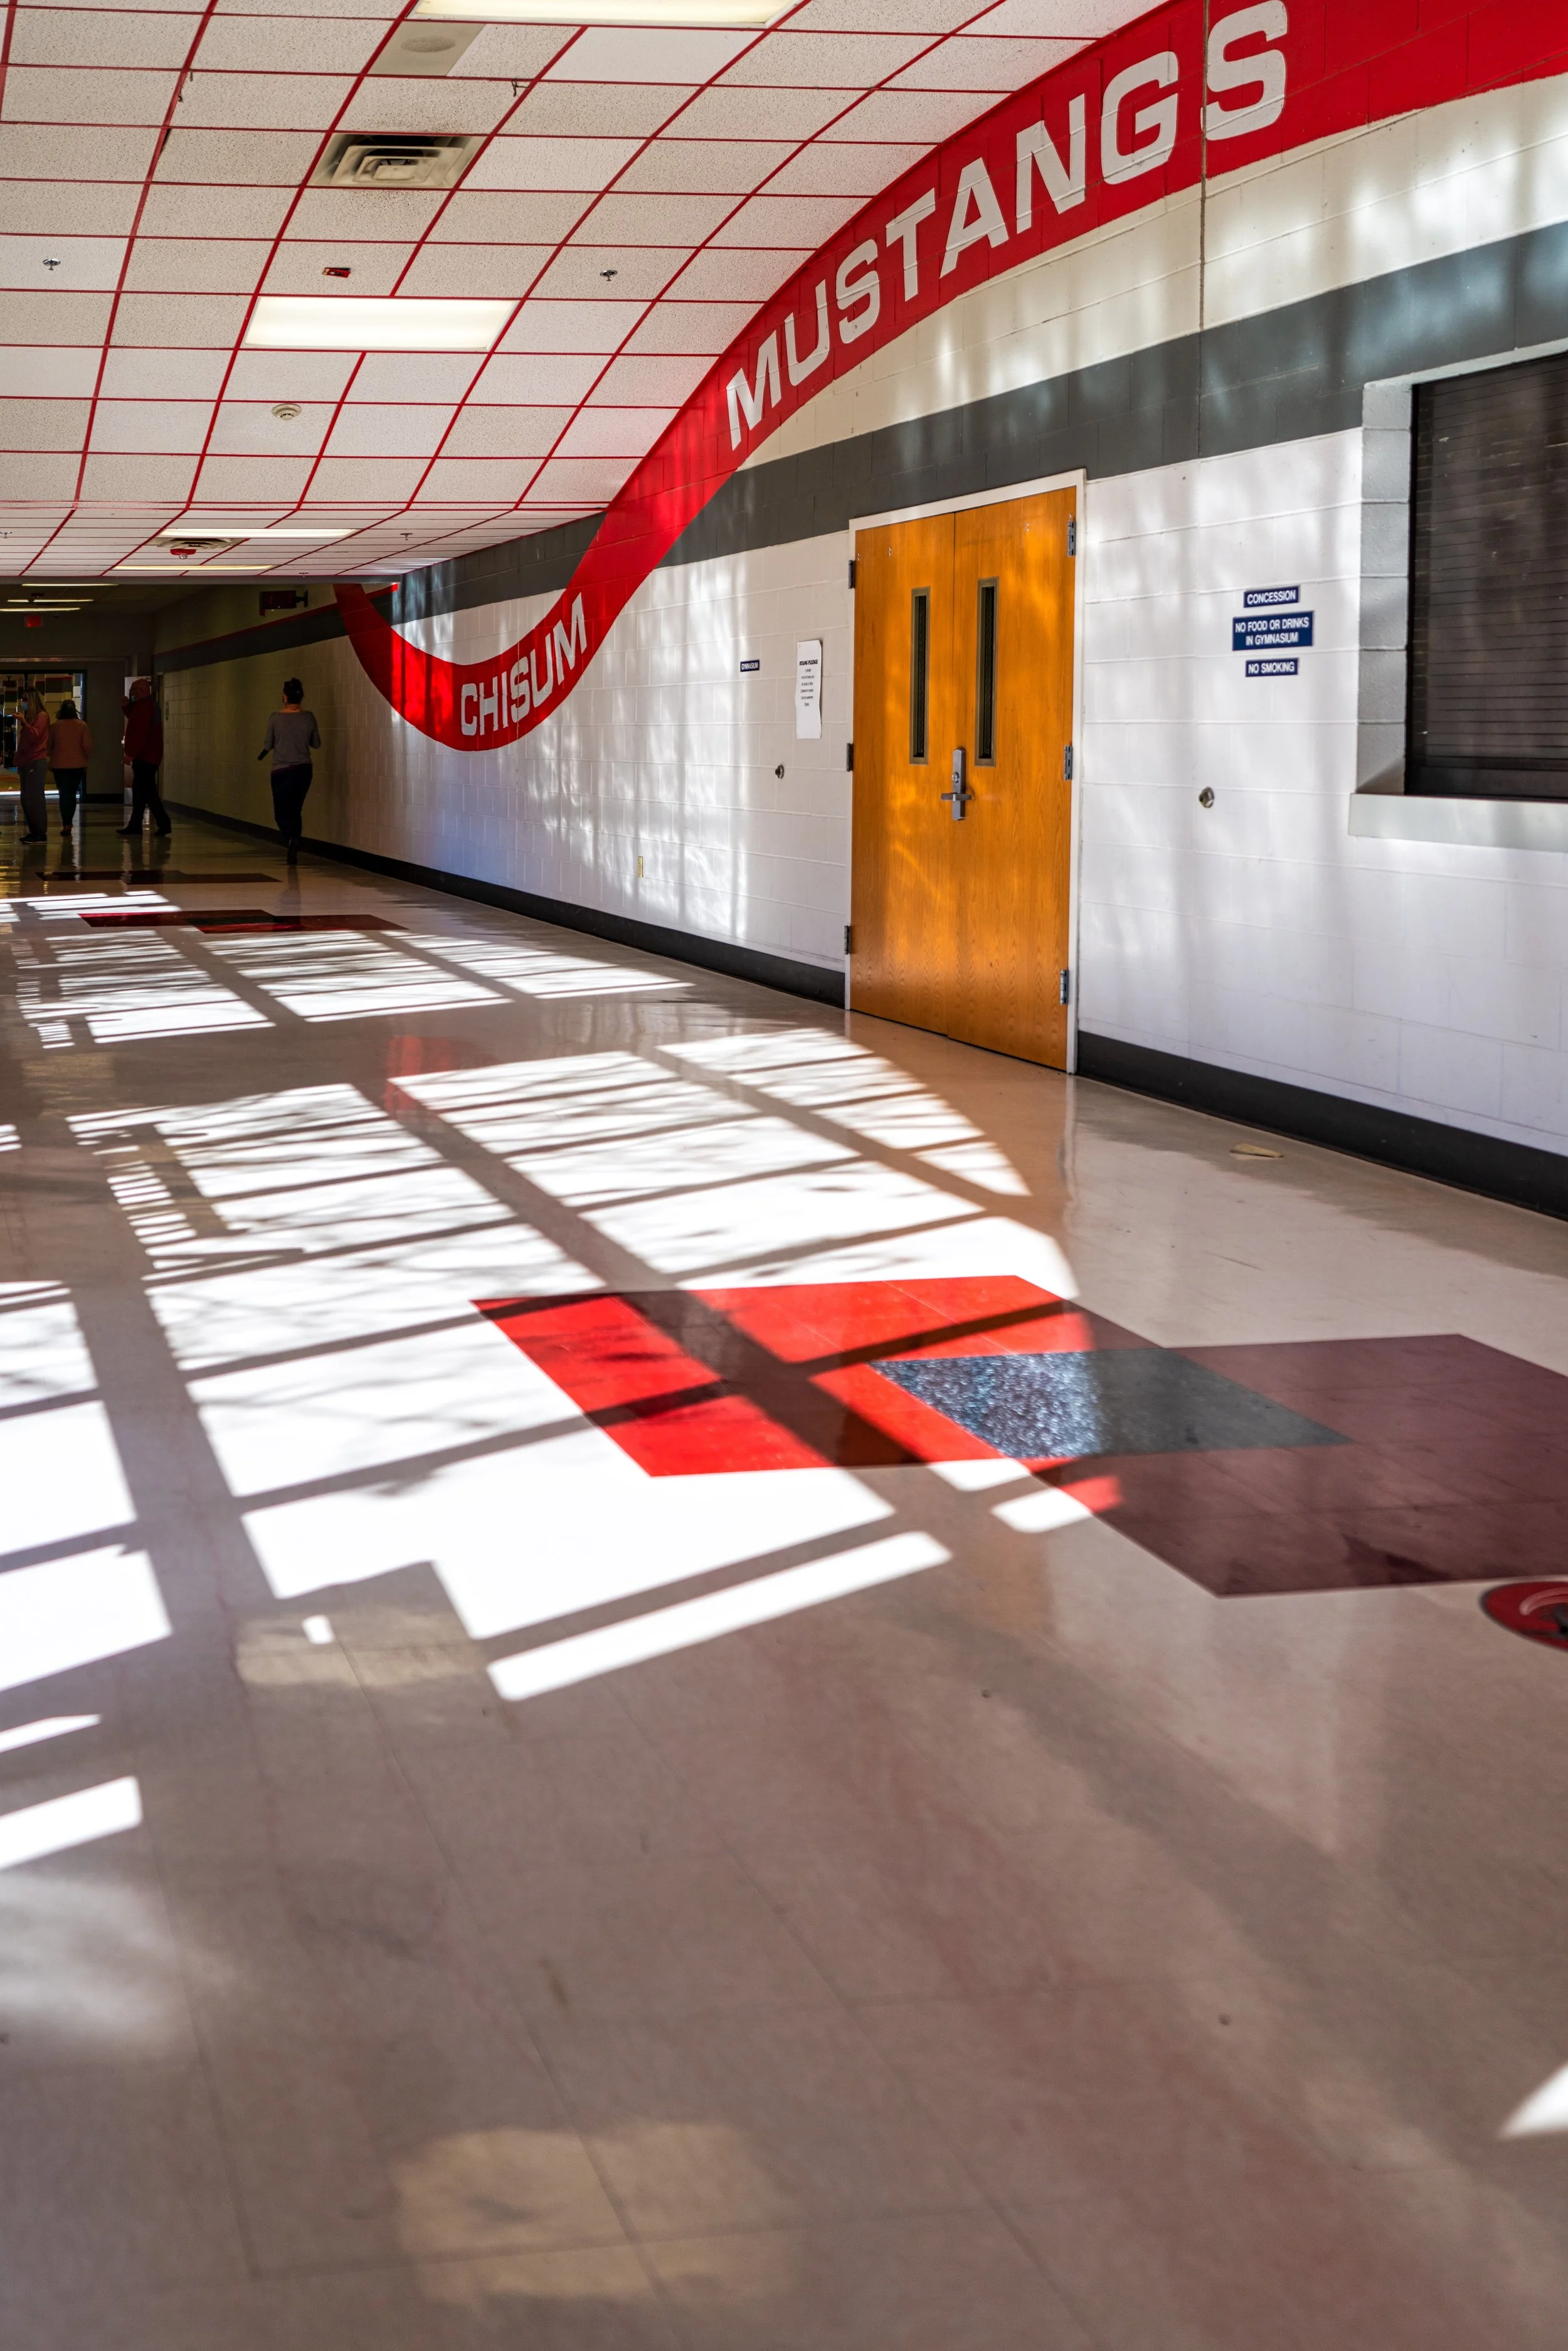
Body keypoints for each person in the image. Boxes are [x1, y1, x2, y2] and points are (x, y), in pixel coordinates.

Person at [258, 677, 320, 866]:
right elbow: (316, 744)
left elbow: (268, 744)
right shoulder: (309, 717)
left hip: (282, 772)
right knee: (296, 811)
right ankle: (295, 844)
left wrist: (264, 752)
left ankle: (291, 840)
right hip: (304, 770)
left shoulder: (275, 718)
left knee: (280, 813)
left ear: (285, 697)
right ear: (300, 697)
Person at [120, 677, 169, 837]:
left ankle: (163, 823)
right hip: (149, 756)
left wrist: (131, 754)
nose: (132, 693)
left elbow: (140, 733)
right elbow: (136, 720)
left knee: (147, 792)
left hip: (145, 757)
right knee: (141, 793)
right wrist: (127, 707)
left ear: (141, 691)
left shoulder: (145, 707)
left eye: (134, 690)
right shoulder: (146, 706)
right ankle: (136, 825)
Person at [48, 698, 92, 836]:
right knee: (72, 794)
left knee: (64, 793)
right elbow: (87, 746)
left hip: (59, 765)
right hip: (77, 765)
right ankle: (69, 824)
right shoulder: (82, 726)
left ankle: (65, 822)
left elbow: (49, 747)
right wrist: (85, 759)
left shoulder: (55, 726)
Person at [15, 691, 49, 841]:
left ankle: (40, 832)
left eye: (25, 700)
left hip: (35, 761)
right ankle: (34, 830)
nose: (23, 702)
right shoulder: (33, 717)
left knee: (34, 798)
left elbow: (34, 737)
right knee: (26, 798)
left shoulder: (42, 717)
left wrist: (25, 723)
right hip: (27, 761)